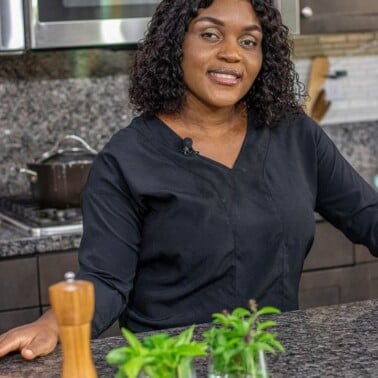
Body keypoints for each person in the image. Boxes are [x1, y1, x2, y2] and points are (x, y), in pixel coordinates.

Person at [0, 0, 377, 361]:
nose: (232, 53)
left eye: (249, 41)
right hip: (172, 364)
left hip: (275, 360)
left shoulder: (295, 135)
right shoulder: (127, 158)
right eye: (210, 35)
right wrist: (55, 324)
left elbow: (367, 215)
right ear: (175, 43)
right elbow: (105, 278)